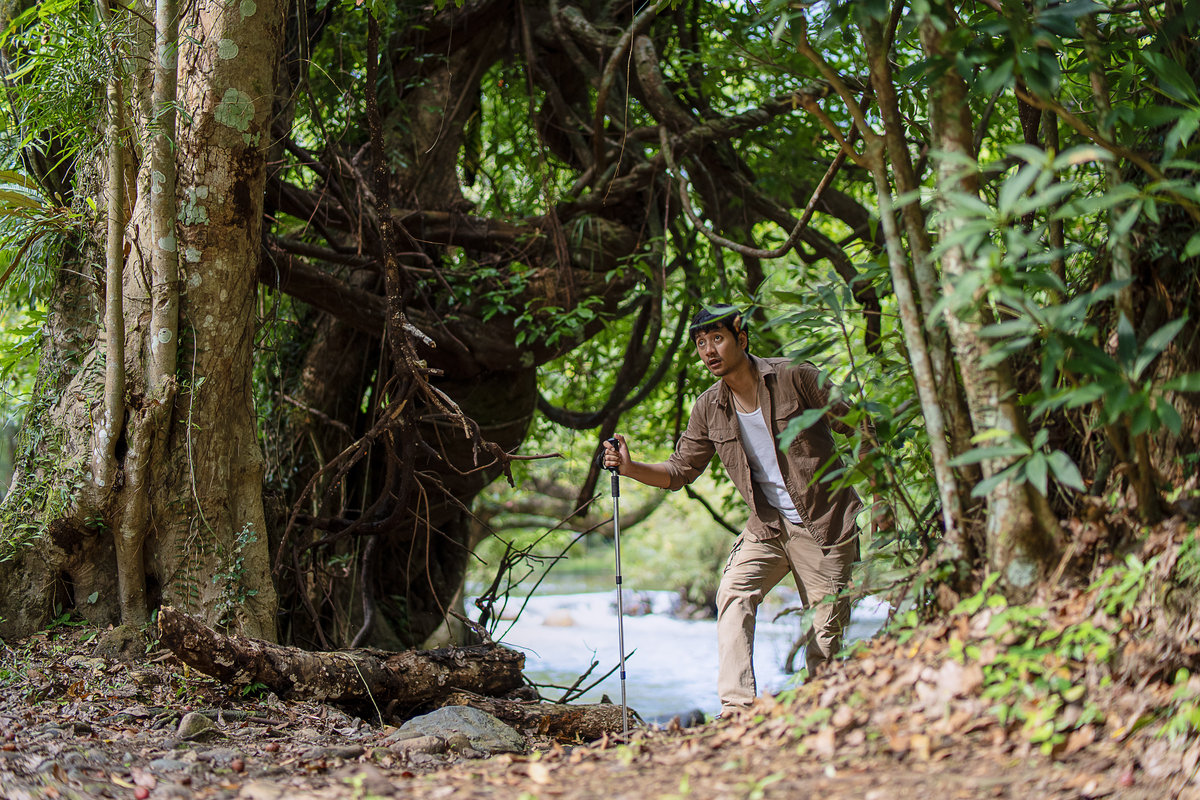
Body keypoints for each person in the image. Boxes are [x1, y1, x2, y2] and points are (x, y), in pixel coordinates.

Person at [602, 304, 864, 717]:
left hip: (825, 526)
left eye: (717, 339)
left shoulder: (797, 377)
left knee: (825, 641)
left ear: (741, 340)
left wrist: (881, 499)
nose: (709, 350)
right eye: (701, 343)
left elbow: (862, 424)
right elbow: (678, 471)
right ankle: (736, 711)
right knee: (733, 594)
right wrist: (630, 467)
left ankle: (822, 716)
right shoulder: (709, 407)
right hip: (768, 527)